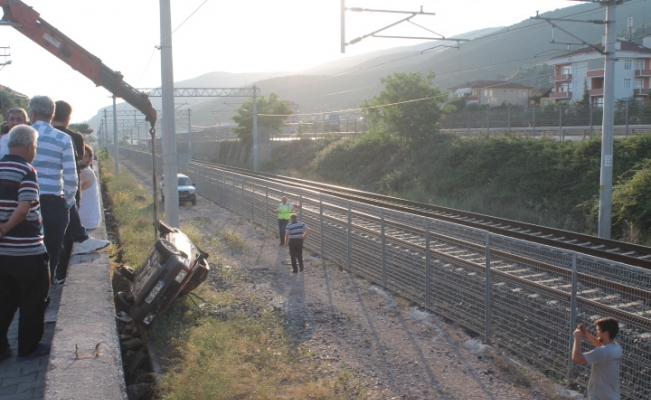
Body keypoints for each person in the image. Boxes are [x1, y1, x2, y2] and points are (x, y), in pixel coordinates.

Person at [0, 125, 51, 362]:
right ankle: (29, 348)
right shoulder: (26, 170)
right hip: (26, 251)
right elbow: (23, 208)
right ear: (31, 146)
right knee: (33, 298)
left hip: (2, 254)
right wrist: (5, 228)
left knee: (4, 300)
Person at [52, 101, 108, 284]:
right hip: (67, 188)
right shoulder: (74, 137)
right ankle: (60, 273)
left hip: (45, 190)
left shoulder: (40, 135)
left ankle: (52, 273)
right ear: (69, 117)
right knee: (66, 232)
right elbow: (76, 165)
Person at [30, 96, 78, 281]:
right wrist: (68, 202)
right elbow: (71, 176)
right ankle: (44, 293)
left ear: (32, 113)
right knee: (50, 251)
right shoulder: (63, 138)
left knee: (23, 251)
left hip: (24, 203)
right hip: (53, 203)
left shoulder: (17, 135)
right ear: (52, 114)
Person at [572, 317, 622, 400]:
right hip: (613, 395)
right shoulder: (617, 347)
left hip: (600, 396)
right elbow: (601, 345)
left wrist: (577, 338)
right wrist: (587, 334)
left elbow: (576, 358)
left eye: (598, 330)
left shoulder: (602, 352)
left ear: (606, 333)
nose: (597, 332)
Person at [77, 145, 102, 230]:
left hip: (84, 223)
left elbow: (68, 191)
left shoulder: (85, 173)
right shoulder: (87, 171)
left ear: (90, 160)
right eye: (80, 155)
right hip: (89, 221)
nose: (81, 159)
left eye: (85, 156)